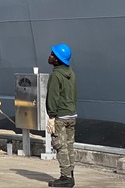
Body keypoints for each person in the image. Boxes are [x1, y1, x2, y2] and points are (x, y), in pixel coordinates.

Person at [46, 43, 78, 187]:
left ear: (57, 59)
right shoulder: (72, 74)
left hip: (60, 116)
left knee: (60, 146)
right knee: (69, 146)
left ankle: (66, 178)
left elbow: (53, 97)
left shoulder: (56, 76)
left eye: (53, 54)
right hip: (72, 114)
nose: (50, 56)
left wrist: (51, 116)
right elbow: (74, 95)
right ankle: (70, 174)